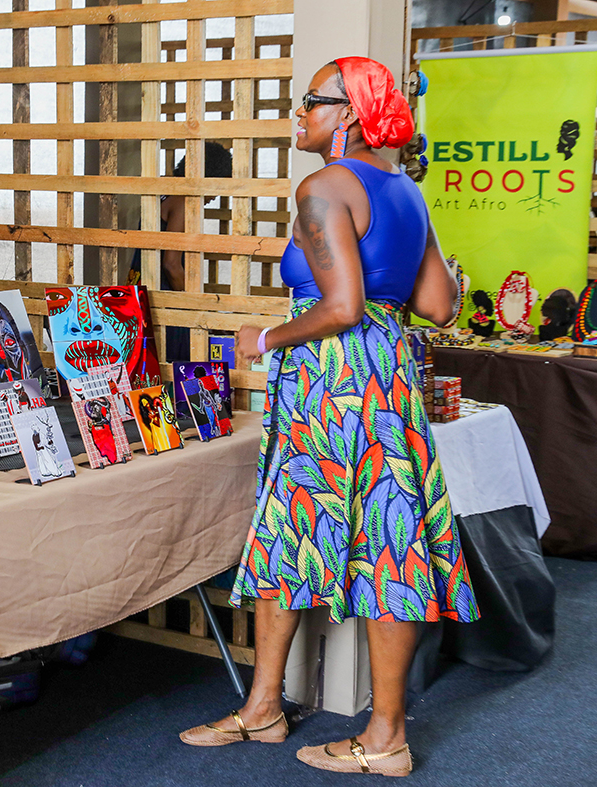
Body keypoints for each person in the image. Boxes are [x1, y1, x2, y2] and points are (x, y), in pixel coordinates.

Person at [179, 57, 479, 777]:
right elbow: (439, 305)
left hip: (330, 383)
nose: (298, 113)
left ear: (347, 113)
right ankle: (277, 710)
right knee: (386, 541)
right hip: (388, 380)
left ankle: (376, 735)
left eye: (310, 101)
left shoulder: (322, 188)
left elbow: (341, 307)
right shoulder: (407, 191)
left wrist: (265, 338)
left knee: (293, 527)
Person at [127, 141, 233, 362]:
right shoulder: (184, 202)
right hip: (166, 300)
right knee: (177, 363)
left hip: (139, 291)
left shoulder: (164, 190)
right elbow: (171, 264)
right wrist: (194, 304)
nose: (217, 195)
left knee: (148, 364)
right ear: (208, 178)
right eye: (218, 186)